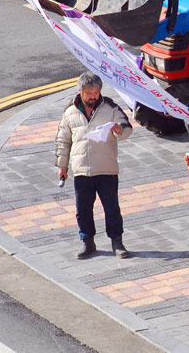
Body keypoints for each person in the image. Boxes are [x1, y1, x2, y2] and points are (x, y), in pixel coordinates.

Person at [56, 71, 133, 260]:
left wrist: (118, 129)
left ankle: (117, 242)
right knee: (83, 210)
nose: (93, 96)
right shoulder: (70, 112)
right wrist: (62, 166)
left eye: (96, 92)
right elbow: (63, 141)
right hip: (81, 170)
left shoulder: (110, 107)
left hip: (106, 168)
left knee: (112, 208)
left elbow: (127, 129)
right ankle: (87, 242)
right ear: (80, 91)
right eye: (89, 92)